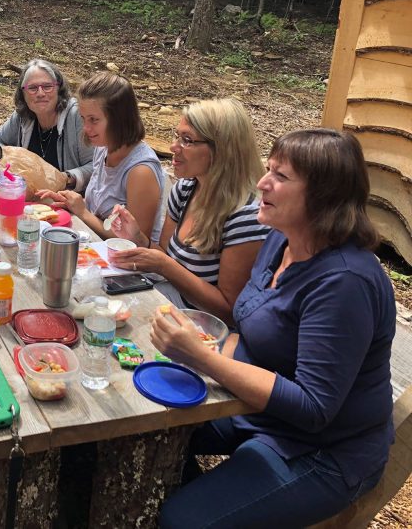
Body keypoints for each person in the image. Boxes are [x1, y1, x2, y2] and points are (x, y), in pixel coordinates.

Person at [152, 129, 395, 528]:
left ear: (323, 195)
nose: (262, 183)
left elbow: (314, 408)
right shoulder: (280, 240)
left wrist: (201, 358)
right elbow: (246, 329)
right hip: (254, 406)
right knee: (135, 436)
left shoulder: (344, 282)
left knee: (183, 520)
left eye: (280, 176)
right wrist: (201, 345)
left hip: (323, 451)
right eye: (268, 169)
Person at [109, 98, 269, 323]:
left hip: (204, 331)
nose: (173, 147)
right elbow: (165, 254)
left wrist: (165, 266)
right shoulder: (185, 189)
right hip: (167, 304)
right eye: (177, 136)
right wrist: (138, 238)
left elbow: (230, 311)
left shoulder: (246, 216)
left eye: (187, 140)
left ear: (222, 150)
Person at [37, 72, 166, 242]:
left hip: (129, 264)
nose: (86, 128)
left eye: (94, 120)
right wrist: (70, 202)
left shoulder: (141, 171)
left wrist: (82, 212)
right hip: (95, 246)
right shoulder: (103, 148)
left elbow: (135, 243)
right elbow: (98, 208)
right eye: (83, 119)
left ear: (119, 119)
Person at [0, 59, 94, 192]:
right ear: (23, 93)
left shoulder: (77, 116)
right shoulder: (22, 116)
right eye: (32, 88)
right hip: (29, 200)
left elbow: (97, 165)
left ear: (59, 89)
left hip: (71, 202)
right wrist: (13, 163)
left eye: (47, 86)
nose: (41, 93)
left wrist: (66, 178)